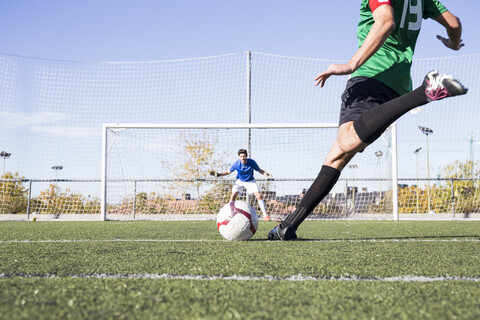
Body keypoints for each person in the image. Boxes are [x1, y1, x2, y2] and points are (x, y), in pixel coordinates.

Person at [268, 0, 467, 240]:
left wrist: (351, 64)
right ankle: (287, 227)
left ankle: (423, 93)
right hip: (397, 84)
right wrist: (453, 44)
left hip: (371, 74)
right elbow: (454, 24)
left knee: (346, 140)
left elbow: (386, 21)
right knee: (337, 155)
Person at [211, 149, 273, 221]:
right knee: (233, 195)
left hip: (250, 181)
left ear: (246, 156)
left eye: (244, 156)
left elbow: (259, 170)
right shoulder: (236, 164)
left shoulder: (252, 162)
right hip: (239, 181)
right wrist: (218, 174)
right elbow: (228, 172)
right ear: (239, 157)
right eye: (241, 156)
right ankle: (230, 213)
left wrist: (266, 174)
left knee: (259, 195)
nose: (242, 158)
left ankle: (265, 216)